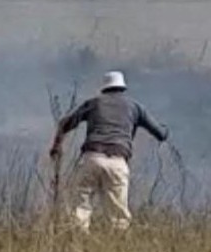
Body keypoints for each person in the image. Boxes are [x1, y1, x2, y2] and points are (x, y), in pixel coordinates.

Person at [49, 71, 169, 230]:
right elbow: (160, 134)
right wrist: (166, 131)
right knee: (118, 215)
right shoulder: (135, 107)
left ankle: (77, 240)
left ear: (104, 89)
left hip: (92, 157)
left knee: (81, 206)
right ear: (122, 88)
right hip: (117, 161)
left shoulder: (93, 103)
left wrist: (56, 146)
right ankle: (118, 245)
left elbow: (64, 124)